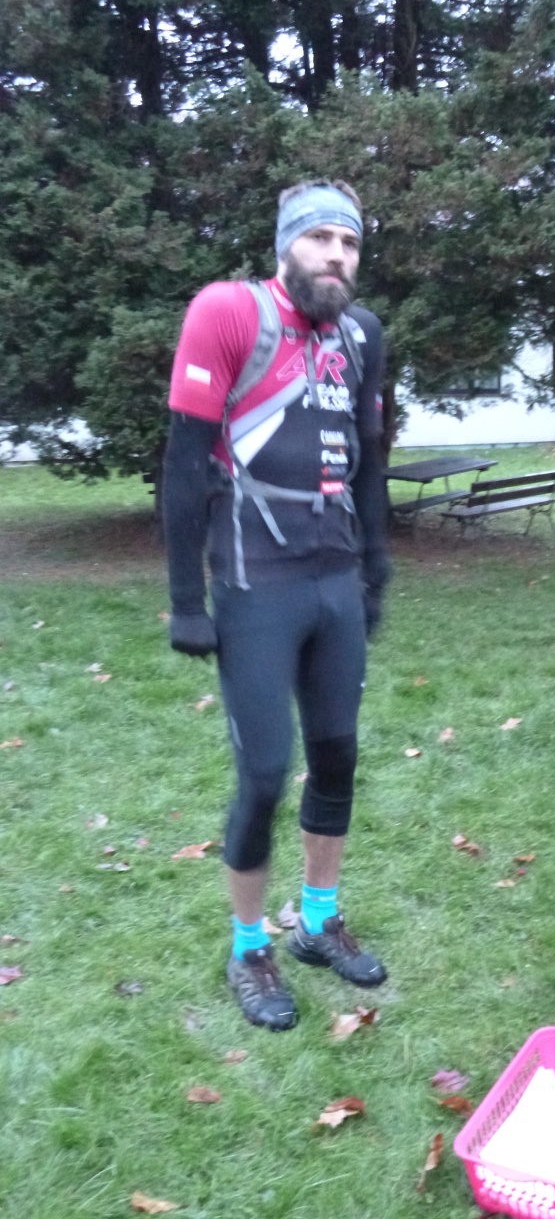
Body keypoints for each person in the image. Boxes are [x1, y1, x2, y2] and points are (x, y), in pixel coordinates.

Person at [163, 181, 390, 1030]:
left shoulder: (360, 334)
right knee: (263, 774)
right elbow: (184, 460)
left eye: (350, 241)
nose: (336, 254)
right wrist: (186, 598)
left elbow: (370, 461)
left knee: (336, 758)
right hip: (255, 582)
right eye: (320, 237)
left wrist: (375, 573)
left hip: (334, 581)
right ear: (285, 245)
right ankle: (248, 944)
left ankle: (318, 923)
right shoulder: (228, 312)